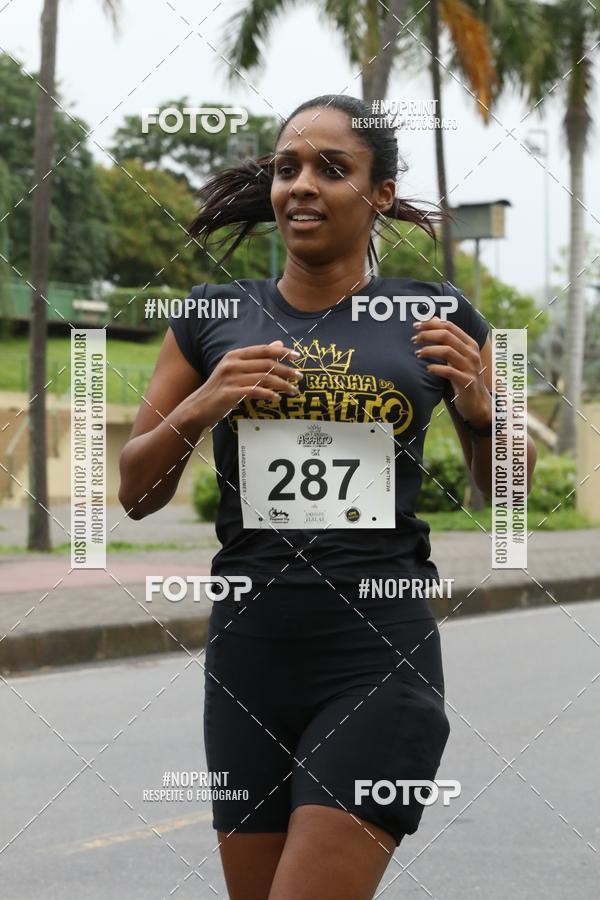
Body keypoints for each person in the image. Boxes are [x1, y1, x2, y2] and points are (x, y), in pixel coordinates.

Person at [119, 94, 536, 900]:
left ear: (379, 193)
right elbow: (136, 494)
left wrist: (485, 416)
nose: (301, 185)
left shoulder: (438, 315)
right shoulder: (210, 316)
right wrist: (205, 404)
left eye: (331, 169)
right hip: (248, 657)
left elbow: (513, 502)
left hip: (378, 658)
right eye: (287, 168)